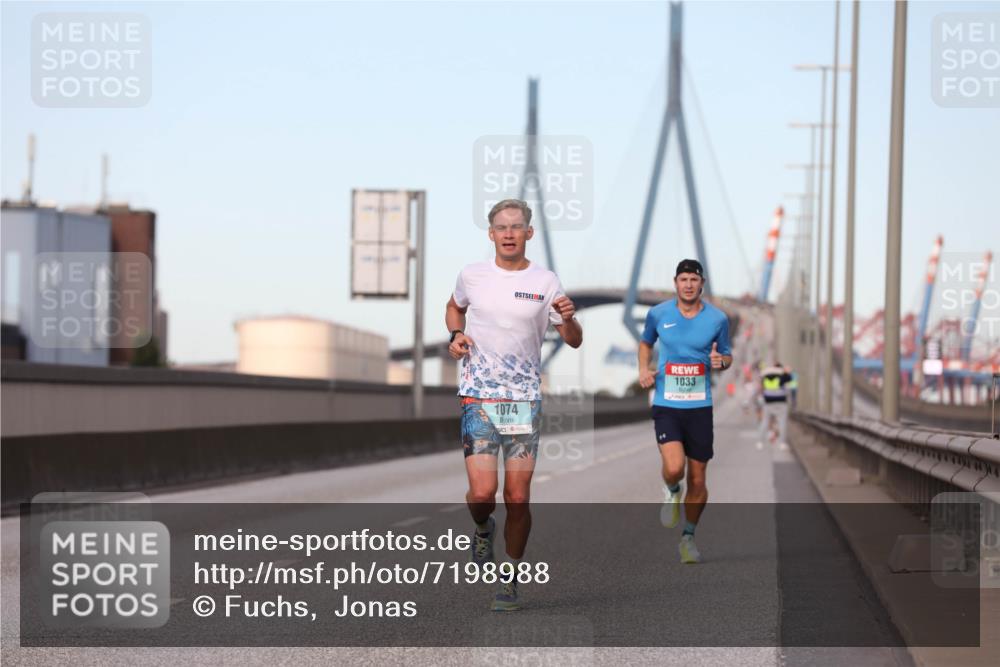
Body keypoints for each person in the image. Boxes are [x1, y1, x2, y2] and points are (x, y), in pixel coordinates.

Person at [445, 198, 582, 611]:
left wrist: (570, 318)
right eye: (501, 227)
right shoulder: (472, 275)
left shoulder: (545, 281)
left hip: (522, 399)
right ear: (491, 234)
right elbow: (455, 307)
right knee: (483, 493)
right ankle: (483, 526)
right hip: (479, 396)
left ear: (529, 234)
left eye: (516, 226)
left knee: (518, 497)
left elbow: (573, 339)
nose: (508, 233)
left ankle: (510, 578)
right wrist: (456, 334)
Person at [638, 259, 732, 564]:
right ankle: (671, 488)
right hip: (667, 403)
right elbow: (645, 342)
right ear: (675, 283)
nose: (688, 284)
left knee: (700, 479)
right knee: (675, 466)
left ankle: (688, 537)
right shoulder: (658, 313)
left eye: (694, 279)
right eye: (683, 279)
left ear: (701, 283)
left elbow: (727, 354)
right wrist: (643, 368)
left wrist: (722, 362)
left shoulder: (718, 319)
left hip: (700, 406)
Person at [758, 362, 793, 448]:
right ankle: (782, 443)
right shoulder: (782, 376)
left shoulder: (766, 376)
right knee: (782, 422)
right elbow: (790, 378)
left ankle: (760, 442)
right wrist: (787, 372)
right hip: (781, 402)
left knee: (765, 422)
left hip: (768, 402)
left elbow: (762, 387)